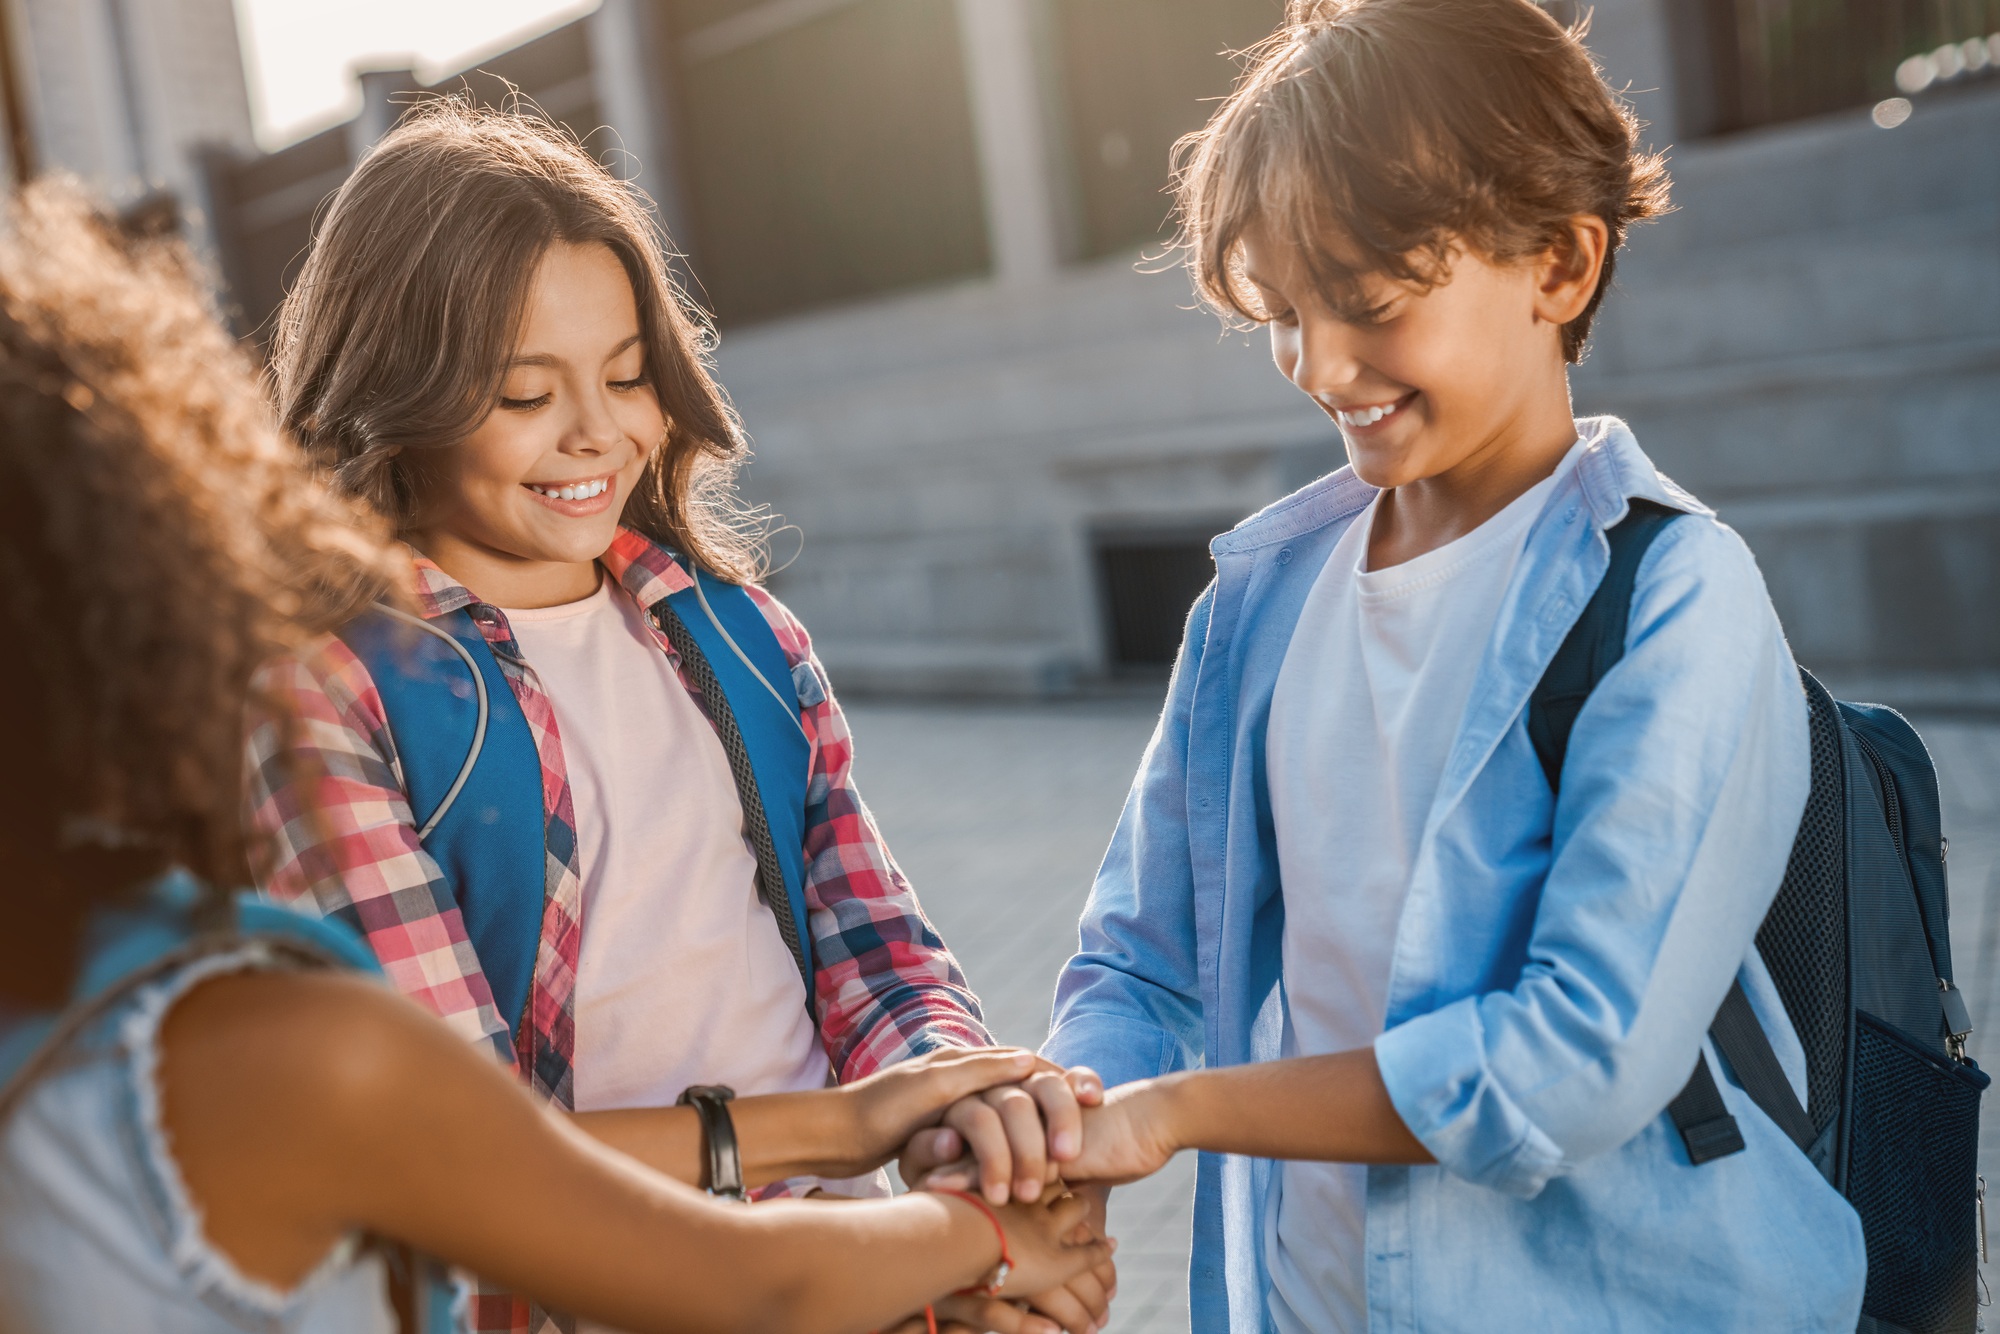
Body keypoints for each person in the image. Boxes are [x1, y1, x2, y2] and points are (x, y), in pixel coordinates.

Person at [0, 178, 1114, 1334]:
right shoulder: (327, 693)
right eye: (521, 391)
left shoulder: (742, 636)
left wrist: (966, 1132)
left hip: (863, 1271)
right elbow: (468, 1150)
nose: (595, 429)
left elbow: (878, 954)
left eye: (628, 375)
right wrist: (901, 1164)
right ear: (395, 394)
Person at [1033, 1, 1868, 1330]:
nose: (1320, 364)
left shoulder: (1670, 596)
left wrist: (1174, 1111)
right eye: (1283, 310)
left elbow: (1567, 1064)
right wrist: (1063, 1131)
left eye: (1367, 301)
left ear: (1561, 263)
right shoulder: (1257, 601)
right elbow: (1141, 959)